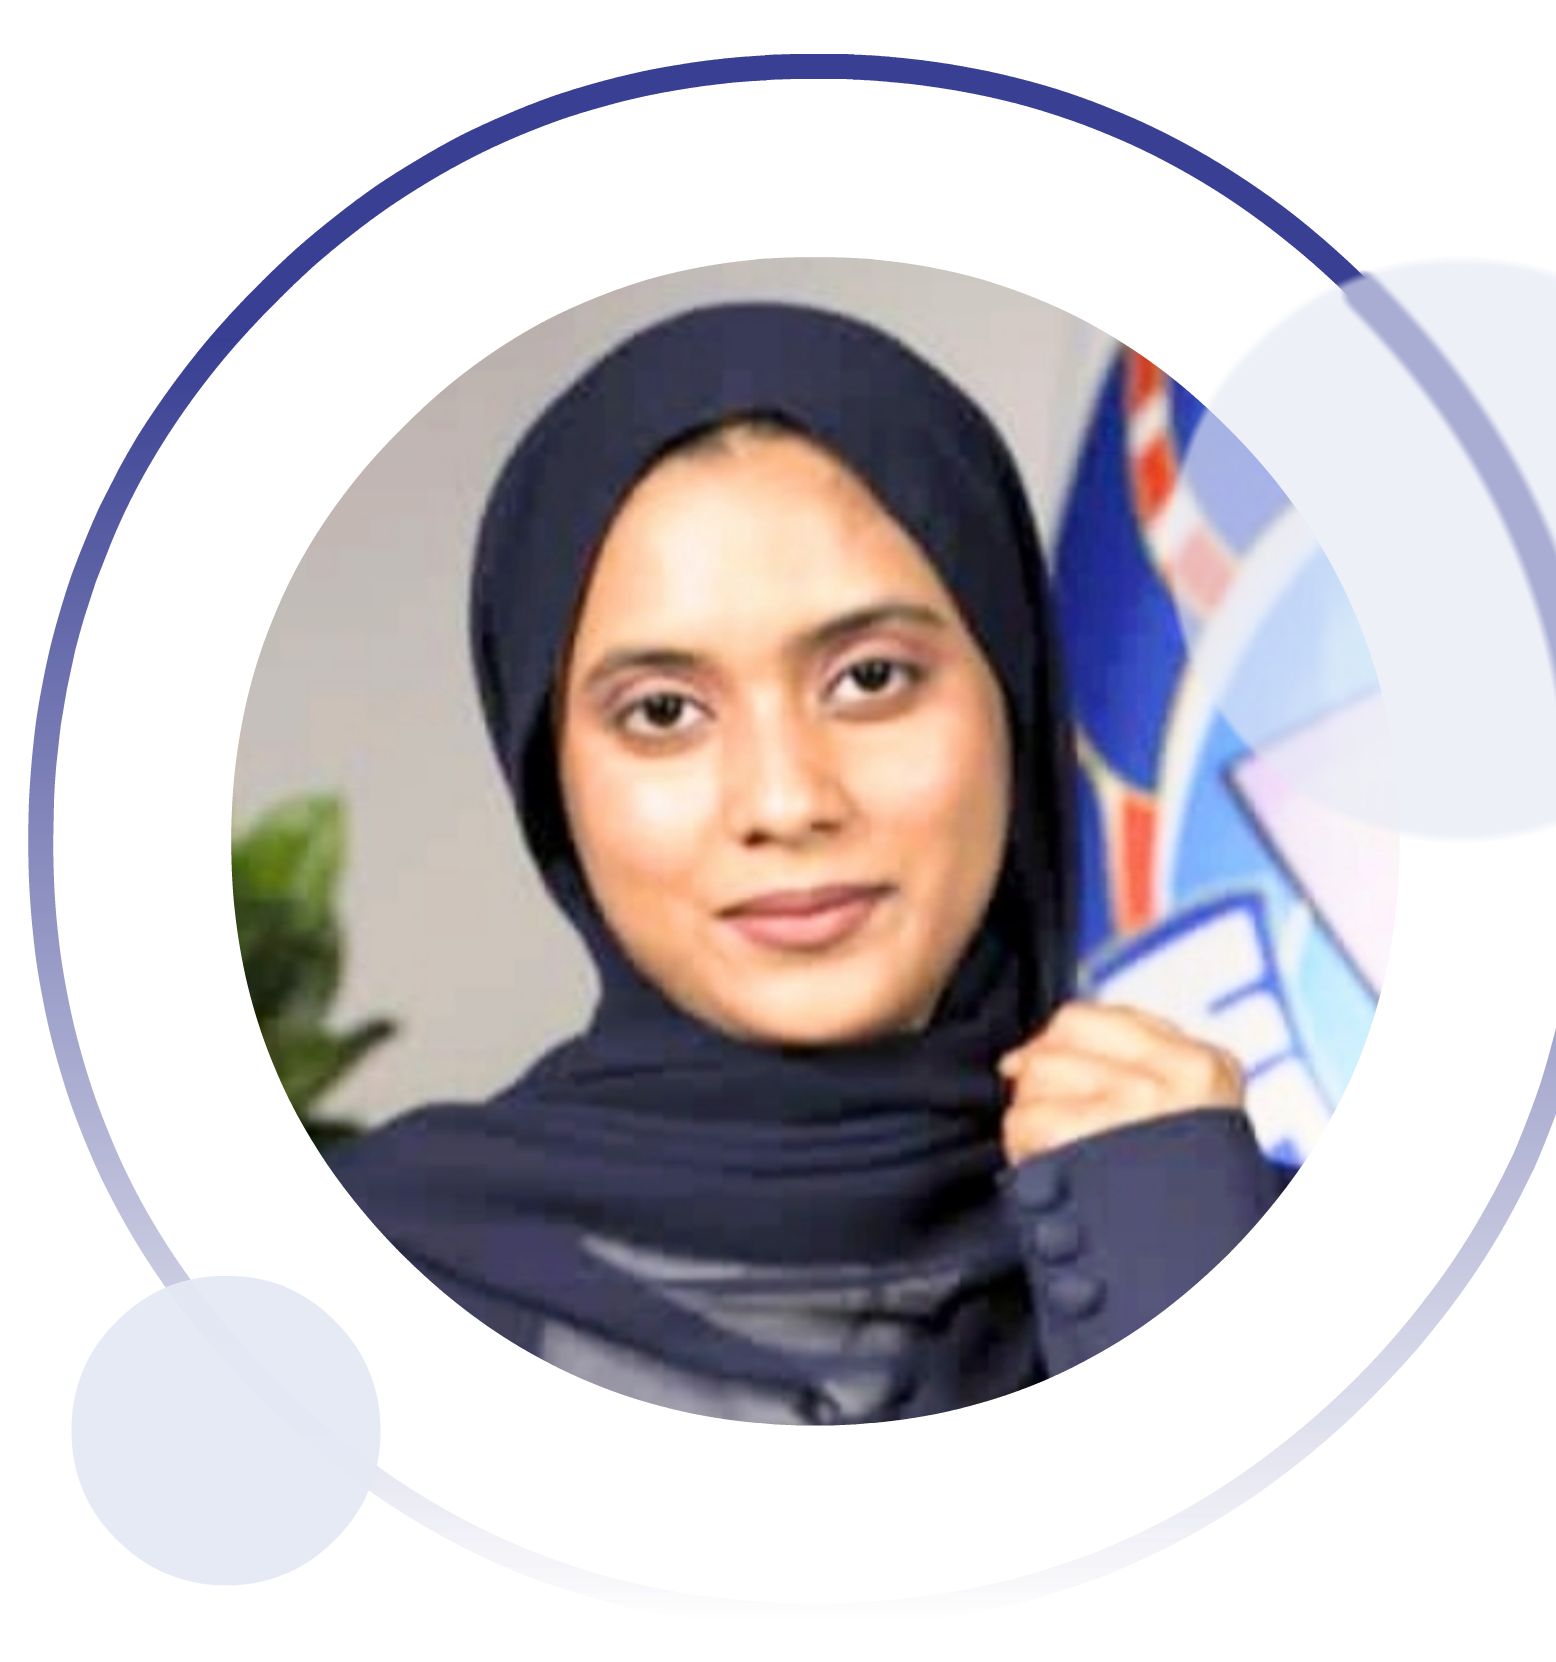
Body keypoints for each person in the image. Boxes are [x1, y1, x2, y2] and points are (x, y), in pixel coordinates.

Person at [328, 301, 1292, 1425]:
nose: (786, 802)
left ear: (1014, 699)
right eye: (662, 711)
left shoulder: (1208, 1211)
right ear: (553, 778)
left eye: (871, 679)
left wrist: (1174, 1259)